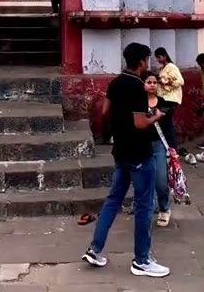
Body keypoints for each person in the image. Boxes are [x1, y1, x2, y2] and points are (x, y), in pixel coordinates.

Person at [82, 43, 170, 278]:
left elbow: (104, 110)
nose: (148, 64)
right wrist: (156, 117)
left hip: (120, 150)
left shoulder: (116, 82)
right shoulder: (137, 88)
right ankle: (141, 260)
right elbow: (140, 123)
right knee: (143, 206)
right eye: (147, 60)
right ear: (141, 61)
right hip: (139, 152)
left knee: (113, 200)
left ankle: (95, 248)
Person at [143, 71, 173, 227]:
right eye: (149, 82)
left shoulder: (163, 103)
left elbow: (168, 128)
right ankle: (146, 210)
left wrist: (172, 147)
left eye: (155, 82)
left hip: (158, 145)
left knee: (161, 180)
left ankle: (164, 208)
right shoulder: (138, 104)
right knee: (144, 182)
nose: (152, 85)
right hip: (141, 146)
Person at [153, 48, 184, 152]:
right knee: (164, 123)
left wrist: (165, 81)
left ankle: (172, 148)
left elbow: (180, 81)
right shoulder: (163, 69)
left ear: (165, 56)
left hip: (170, 99)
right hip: (164, 98)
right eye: (156, 57)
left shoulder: (172, 67)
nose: (158, 59)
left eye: (159, 57)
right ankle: (169, 148)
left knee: (166, 123)